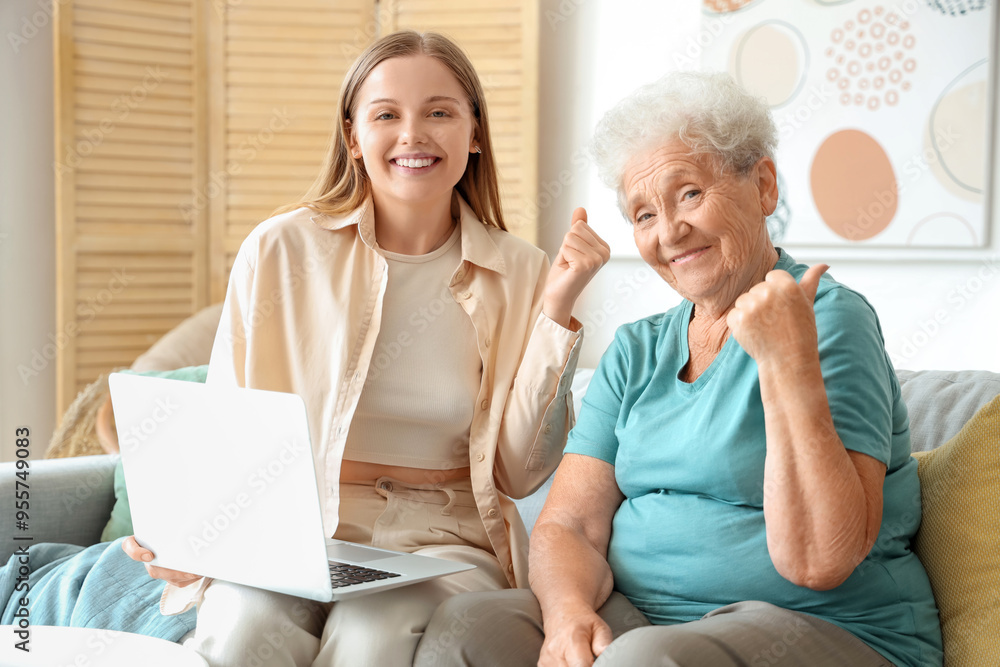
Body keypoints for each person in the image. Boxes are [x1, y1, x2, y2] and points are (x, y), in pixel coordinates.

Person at [416, 71, 942, 667]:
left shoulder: (827, 318)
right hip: (644, 619)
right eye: (643, 215)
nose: (669, 232)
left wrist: (785, 364)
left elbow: (820, 559)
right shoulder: (637, 350)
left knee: (643, 660)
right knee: (470, 627)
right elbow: (571, 525)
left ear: (763, 185)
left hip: (826, 630)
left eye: (689, 193)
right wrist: (568, 617)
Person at [122, 30, 610, 667]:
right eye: (386, 115)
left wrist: (557, 309)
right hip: (290, 536)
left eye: (440, 112)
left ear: (475, 133)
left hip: (444, 539)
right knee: (242, 629)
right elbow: (228, 417)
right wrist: (191, 533)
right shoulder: (280, 250)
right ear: (353, 137)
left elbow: (519, 471)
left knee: (371, 638)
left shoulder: (521, 271)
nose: (414, 134)